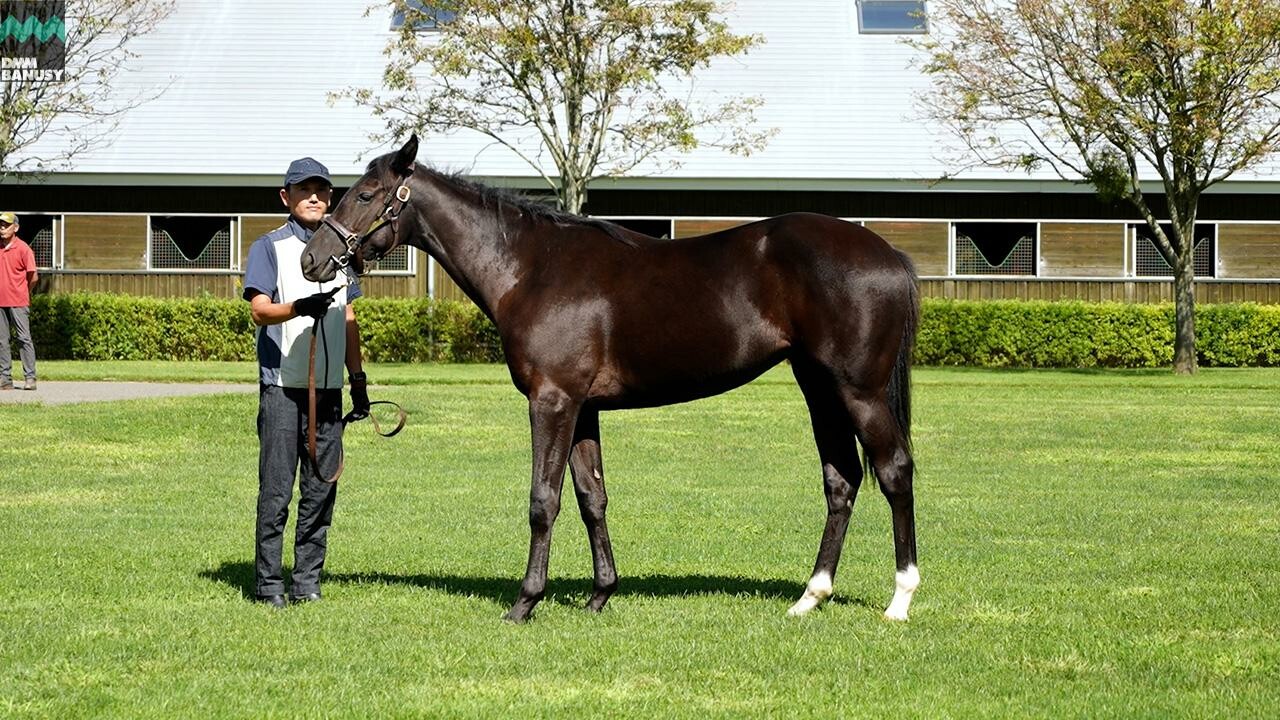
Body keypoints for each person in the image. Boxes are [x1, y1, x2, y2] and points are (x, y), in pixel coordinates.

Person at [241, 158, 370, 609]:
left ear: (330, 198)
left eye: (321, 190)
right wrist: (299, 307)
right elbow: (259, 309)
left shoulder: (342, 251)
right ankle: (269, 583)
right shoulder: (268, 248)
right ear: (286, 197)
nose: (313, 197)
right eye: (303, 189)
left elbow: (349, 318)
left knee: (320, 491)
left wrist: (358, 379)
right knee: (276, 491)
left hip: (329, 393)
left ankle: (307, 581)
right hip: (281, 389)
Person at [0, 212, 38, 391]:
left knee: (23, 339)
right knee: (2, 341)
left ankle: (30, 378)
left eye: (6, 225)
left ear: (15, 228)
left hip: (18, 301)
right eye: (0, 225)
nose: (2, 228)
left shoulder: (24, 249)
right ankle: (5, 378)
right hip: (1, 302)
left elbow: (33, 277)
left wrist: (24, 292)